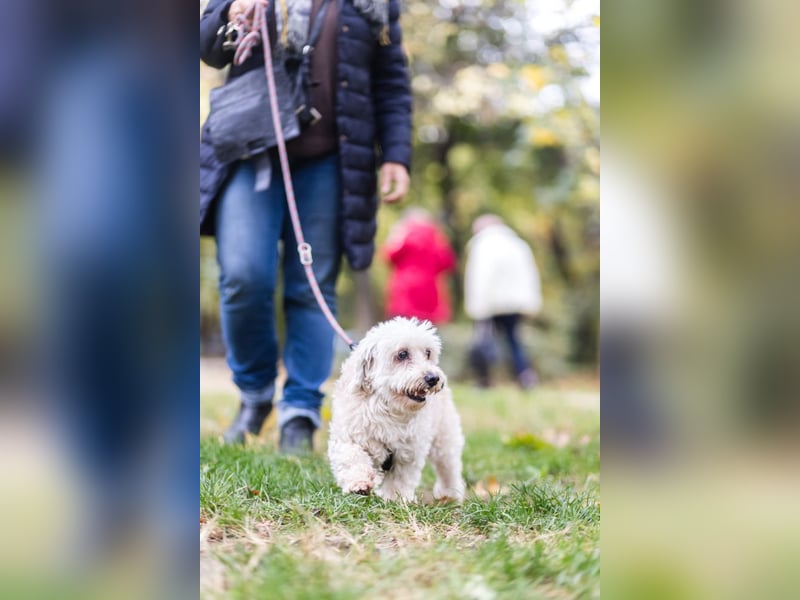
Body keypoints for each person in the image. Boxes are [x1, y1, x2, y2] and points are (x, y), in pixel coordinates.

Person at [200, 0, 412, 451]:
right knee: (243, 276)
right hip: (251, 153)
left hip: (331, 161)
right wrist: (230, 11)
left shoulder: (376, 6)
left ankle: (300, 410)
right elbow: (206, 48)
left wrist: (396, 153)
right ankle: (255, 393)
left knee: (312, 287)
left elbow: (391, 81)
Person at [463, 215, 542, 389]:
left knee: (483, 341)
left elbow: (480, 278)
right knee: (514, 340)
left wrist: (476, 306)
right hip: (515, 303)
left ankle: (484, 380)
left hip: (489, 304)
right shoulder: (518, 244)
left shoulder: (482, 245)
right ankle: (525, 377)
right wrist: (531, 302)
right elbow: (530, 275)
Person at [382, 209, 456, 324]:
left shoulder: (403, 233)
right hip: (429, 291)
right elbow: (447, 262)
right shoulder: (436, 236)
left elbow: (389, 256)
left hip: (404, 291)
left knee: (401, 327)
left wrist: (394, 235)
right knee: (426, 328)